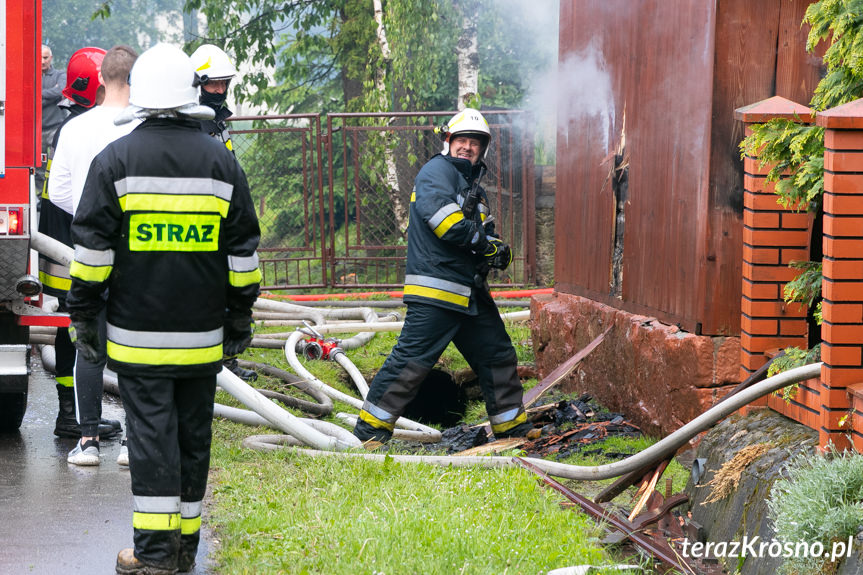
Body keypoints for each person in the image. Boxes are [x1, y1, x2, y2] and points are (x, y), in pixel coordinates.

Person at [65, 43, 261, 574]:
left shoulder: (115, 161)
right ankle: (184, 552)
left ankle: (153, 557)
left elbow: (91, 258)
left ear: (144, 98)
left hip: (137, 338)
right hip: (203, 339)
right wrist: (239, 317)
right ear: (191, 95)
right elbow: (243, 254)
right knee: (194, 441)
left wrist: (83, 315)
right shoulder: (221, 163)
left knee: (152, 444)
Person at [352, 108, 530, 445]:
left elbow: (476, 234)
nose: (467, 147)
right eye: (461, 140)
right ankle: (369, 434)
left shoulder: (471, 184)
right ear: (449, 141)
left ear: (483, 148)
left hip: (469, 293)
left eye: (474, 142)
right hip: (437, 292)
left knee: (497, 355)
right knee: (411, 364)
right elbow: (446, 225)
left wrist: (495, 248)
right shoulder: (436, 172)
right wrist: (485, 245)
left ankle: (513, 429)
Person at [49, 45, 140, 466]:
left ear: (101, 80)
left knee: (89, 343)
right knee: (135, 346)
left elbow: (57, 193)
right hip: (137, 250)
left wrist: (88, 217)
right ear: (134, 80)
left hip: (87, 247)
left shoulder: (76, 129)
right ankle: (129, 445)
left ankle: (87, 441)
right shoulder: (143, 126)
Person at [37, 46, 121, 442]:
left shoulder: (70, 126)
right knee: (108, 328)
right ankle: (95, 421)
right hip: (105, 242)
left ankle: (70, 416)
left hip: (67, 242)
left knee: (70, 327)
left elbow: (56, 193)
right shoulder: (120, 125)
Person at [189, 43, 258, 383]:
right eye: (211, 84)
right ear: (196, 83)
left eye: (222, 84)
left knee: (228, 290)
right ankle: (216, 364)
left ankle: (228, 363)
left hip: (226, 215)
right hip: (207, 219)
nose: (218, 90)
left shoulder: (216, 121)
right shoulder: (193, 123)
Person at [36, 45, 68, 205]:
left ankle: (56, 198)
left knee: (57, 164)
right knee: (39, 166)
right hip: (37, 130)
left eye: (45, 57)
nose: (42, 61)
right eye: (40, 57)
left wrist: (37, 93)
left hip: (56, 127)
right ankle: (42, 198)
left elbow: (61, 91)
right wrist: (51, 93)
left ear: (51, 58)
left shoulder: (59, 75)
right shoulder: (31, 74)